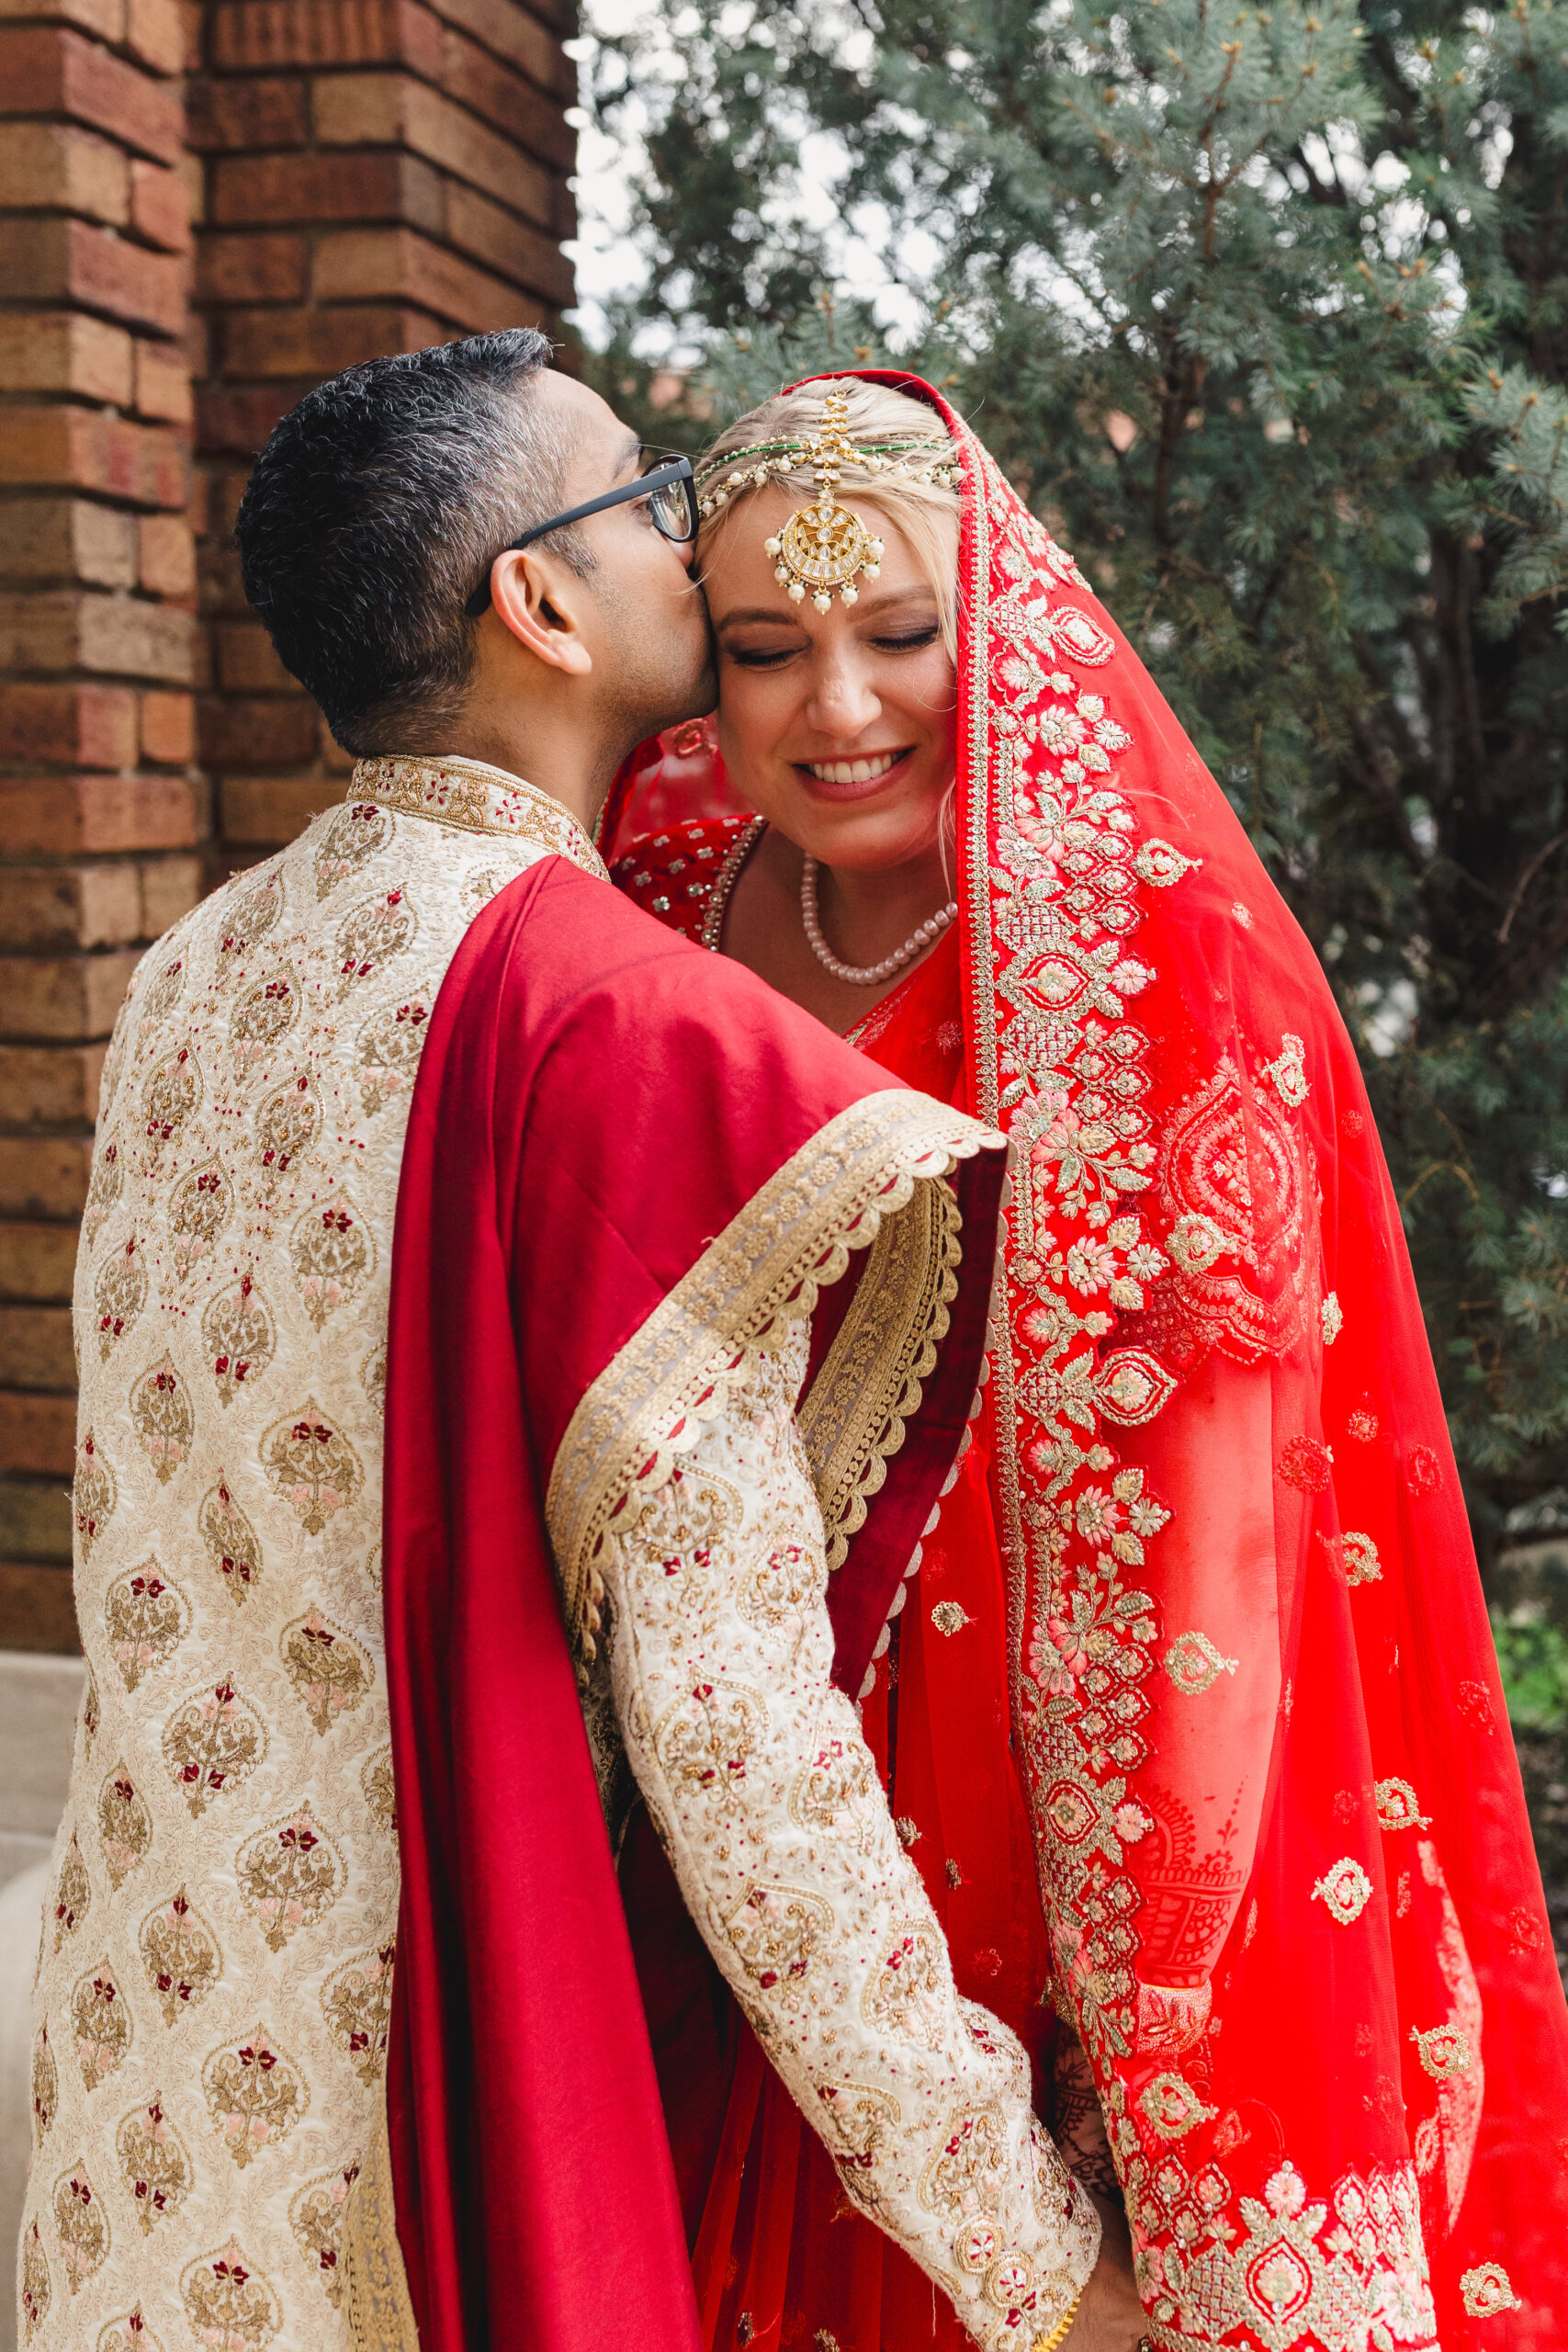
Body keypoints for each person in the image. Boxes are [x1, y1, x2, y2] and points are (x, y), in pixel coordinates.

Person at [15, 330, 1132, 2352]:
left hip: (139, 2110)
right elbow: (744, 1753)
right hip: (409, 2122)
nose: (687, 539)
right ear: (535, 596)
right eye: (640, 496)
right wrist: (1035, 2262)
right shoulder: (613, 1023)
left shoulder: (191, 974)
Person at [611, 370, 1568, 2349]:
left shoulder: (1151, 947)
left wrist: (1162, 1977)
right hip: (739, 1727)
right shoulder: (662, 903)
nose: (836, 709)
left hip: (1076, 1736)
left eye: (898, 636)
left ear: (1001, 628)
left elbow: (1230, 1525)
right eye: (765, 650)